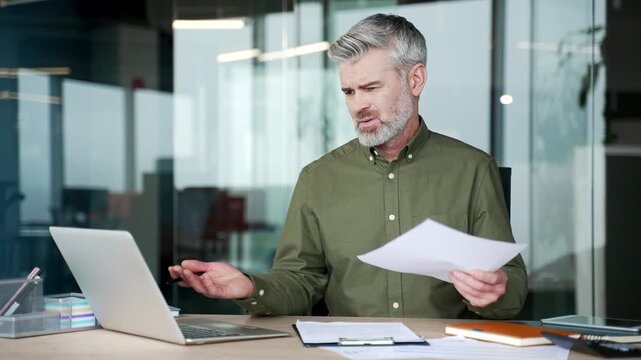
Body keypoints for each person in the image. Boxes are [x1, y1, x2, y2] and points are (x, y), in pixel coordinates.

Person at [169, 13, 528, 319]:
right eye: (349, 92)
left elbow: (511, 284)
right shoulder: (318, 178)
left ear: (415, 80)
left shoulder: (473, 169)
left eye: (371, 87)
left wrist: (496, 288)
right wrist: (250, 286)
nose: (358, 105)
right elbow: (299, 279)